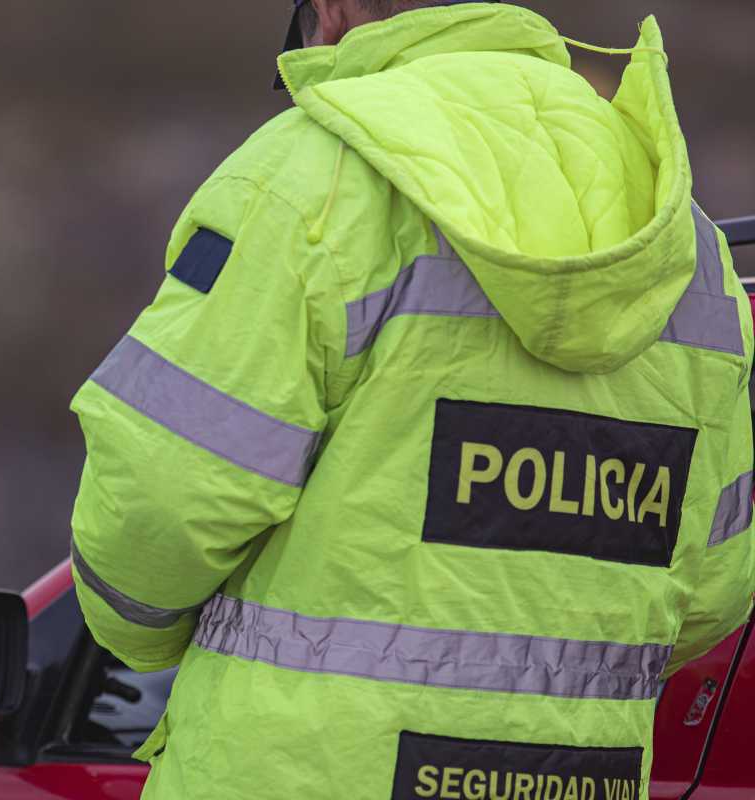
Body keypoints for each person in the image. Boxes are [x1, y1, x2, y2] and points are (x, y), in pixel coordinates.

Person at [68, 1, 755, 797]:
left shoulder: (311, 181)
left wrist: (142, 638)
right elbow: (715, 585)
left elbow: (159, 508)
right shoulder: (680, 241)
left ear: (331, 9)